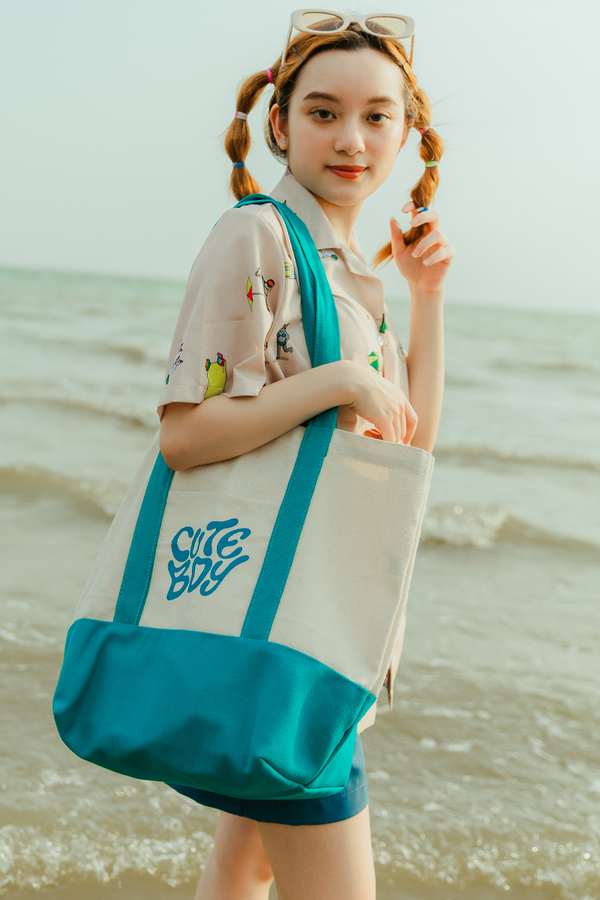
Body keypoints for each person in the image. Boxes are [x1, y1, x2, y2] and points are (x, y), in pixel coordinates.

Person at [158, 11, 453, 900]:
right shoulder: (256, 238)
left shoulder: (354, 273)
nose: (351, 138)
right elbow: (186, 434)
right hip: (291, 637)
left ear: (407, 135)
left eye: (376, 117)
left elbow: (411, 448)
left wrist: (426, 299)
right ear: (279, 124)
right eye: (323, 113)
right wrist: (336, 385)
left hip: (322, 626)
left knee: (242, 865)